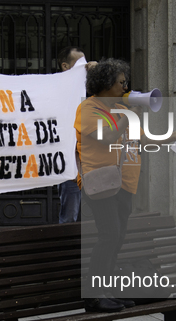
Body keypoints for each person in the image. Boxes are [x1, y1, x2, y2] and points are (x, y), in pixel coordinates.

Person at [76, 58, 143, 312]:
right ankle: (93, 295)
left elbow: (138, 139)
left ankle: (106, 289)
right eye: (121, 82)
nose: (125, 88)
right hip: (100, 183)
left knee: (118, 237)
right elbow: (107, 137)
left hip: (122, 184)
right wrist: (128, 116)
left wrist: (175, 137)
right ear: (105, 83)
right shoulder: (88, 109)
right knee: (109, 235)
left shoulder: (116, 108)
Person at [56, 46, 97, 223]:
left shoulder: (88, 88)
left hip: (92, 163)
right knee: (69, 217)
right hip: (71, 164)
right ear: (65, 66)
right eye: (80, 64)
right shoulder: (58, 90)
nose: (85, 67)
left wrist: (99, 72)